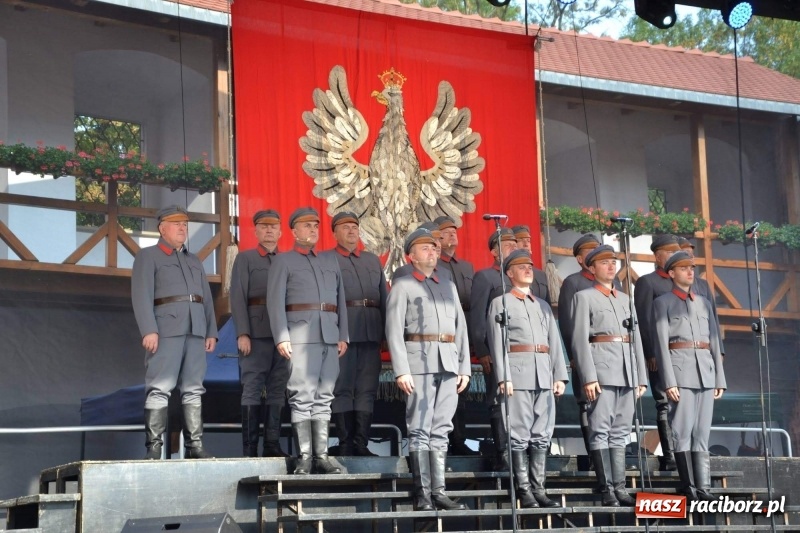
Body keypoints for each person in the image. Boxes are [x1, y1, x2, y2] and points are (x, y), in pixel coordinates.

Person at [386, 227, 471, 511]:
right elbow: (394, 331)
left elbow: (460, 328)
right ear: (411, 256)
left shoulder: (448, 285)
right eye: (425, 248)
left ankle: (439, 492)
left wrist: (464, 367)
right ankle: (422, 494)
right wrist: (401, 369)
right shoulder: (403, 286)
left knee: (442, 428)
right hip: (418, 361)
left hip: (448, 361)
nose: (432, 252)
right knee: (420, 428)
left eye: (434, 248)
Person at [131, 205, 218, 460]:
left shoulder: (194, 260)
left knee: (194, 388)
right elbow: (141, 295)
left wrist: (211, 331)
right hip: (166, 329)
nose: (182, 228)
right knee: (159, 386)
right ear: (162, 228)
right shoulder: (148, 256)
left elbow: (206, 299)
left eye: (185, 224)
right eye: (177, 223)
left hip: (196, 329)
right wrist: (149, 329)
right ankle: (154, 447)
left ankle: (194, 446)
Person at [267, 207, 349, 475]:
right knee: (302, 395)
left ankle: (321, 457)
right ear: (293, 231)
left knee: (325, 396)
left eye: (315, 226)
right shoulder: (283, 261)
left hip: (329, 335)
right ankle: (305, 457)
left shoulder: (330, 261)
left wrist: (343, 335)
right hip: (300, 337)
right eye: (306, 226)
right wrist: (281, 336)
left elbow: (340, 300)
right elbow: (275, 302)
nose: (313, 230)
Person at [487, 249, 568, 509]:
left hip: (543, 373)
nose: (527, 270)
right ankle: (524, 490)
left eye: (530, 266)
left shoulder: (542, 305)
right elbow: (497, 343)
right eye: (521, 266)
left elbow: (554, 341)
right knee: (519, 434)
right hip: (518, 374)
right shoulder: (501, 303)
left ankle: (539, 489)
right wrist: (504, 376)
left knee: (542, 434)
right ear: (509, 273)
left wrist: (559, 375)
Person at [571, 244, 648, 506]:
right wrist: (589, 377)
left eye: (613, 262)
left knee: (621, 431)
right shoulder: (584, 297)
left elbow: (636, 339)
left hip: (627, 372)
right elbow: (580, 340)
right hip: (602, 371)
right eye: (604, 262)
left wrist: (640, 376)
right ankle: (607, 489)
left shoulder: (626, 299)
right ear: (592, 268)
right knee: (600, 429)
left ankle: (620, 488)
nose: (611, 266)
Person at [654, 251, 726, 501]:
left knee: (702, 432)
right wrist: (669, 381)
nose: (689, 272)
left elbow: (714, 340)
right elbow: (660, 345)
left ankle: (703, 488)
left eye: (692, 268)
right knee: (682, 431)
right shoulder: (662, 302)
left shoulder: (704, 302)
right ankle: (689, 486)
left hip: (705, 372)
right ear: (671, 273)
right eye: (684, 268)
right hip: (681, 372)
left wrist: (719, 378)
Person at [323, 212, 387, 457]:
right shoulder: (327, 259)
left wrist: (385, 333)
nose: (351, 231)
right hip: (343, 332)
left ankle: (361, 443)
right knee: (342, 387)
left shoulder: (372, 260)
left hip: (371, 331)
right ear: (334, 233)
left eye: (354, 227)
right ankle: (345, 443)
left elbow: (383, 298)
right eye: (345, 227)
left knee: (366, 389)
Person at [229, 209, 290, 457]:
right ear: (255, 231)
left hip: (282, 335)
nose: (269, 230)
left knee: (278, 388)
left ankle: (272, 445)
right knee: (252, 387)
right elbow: (237, 297)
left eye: (273, 227)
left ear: (281, 232)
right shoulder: (245, 259)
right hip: (255, 334)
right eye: (264, 226)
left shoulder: (287, 260)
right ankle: (250, 449)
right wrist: (243, 333)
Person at [469, 227, 517, 471]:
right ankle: (504, 454)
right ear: (495, 252)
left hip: (521, 352)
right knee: (499, 399)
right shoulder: (486, 277)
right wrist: (482, 350)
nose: (513, 248)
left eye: (515, 244)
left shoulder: (519, 279)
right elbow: (478, 316)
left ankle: (521, 452)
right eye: (507, 245)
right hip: (496, 350)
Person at [634, 234, 681, 471]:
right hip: (659, 354)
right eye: (669, 253)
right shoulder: (648, 282)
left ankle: (686, 452)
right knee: (665, 402)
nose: (674, 256)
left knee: (684, 404)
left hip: (682, 355)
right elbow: (644, 320)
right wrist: (650, 352)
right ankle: (670, 455)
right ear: (657, 256)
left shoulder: (681, 283)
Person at [556, 233, 602, 466]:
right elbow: (567, 321)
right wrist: (573, 354)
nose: (595, 254)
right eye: (589, 251)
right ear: (579, 259)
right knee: (587, 402)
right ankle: (594, 454)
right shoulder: (573, 282)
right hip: (585, 351)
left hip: (609, 355)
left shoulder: (611, 284)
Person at [435, 215, 478, 457]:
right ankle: (442, 442)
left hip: (464, 332)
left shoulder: (466, 267)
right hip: (443, 332)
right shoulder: (434, 267)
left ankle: (459, 440)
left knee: (461, 390)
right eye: (446, 232)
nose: (452, 234)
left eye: (454, 231)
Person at [676, 237, 725, 357]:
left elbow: (713, 318)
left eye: (692, 254)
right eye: (686, 253)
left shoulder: (703, 285)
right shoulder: (670, 284)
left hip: (704, 348)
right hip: (681, 350)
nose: (691, 257)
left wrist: (719, 350)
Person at [511, 224, 550, 303]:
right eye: (520, 240)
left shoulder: (541, 275)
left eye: (528, 241)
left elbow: (547, 304)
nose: (526, 244)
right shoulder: (508, 273)